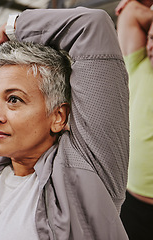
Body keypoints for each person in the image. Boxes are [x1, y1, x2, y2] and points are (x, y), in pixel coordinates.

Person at [0, 7, 129, 240]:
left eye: (14, 99)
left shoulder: (84, 174)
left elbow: (91, 26)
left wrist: (11, 28)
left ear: (58, 116)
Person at [116, 1, 153, 239]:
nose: (152, 45)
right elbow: (129, 12)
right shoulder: (138, 65)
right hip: (134, 203)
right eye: (151, 38)